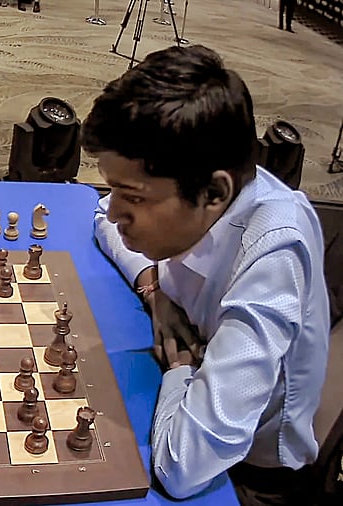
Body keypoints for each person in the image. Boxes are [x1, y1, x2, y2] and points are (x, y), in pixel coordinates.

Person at [82, 45, 329, 505]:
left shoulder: (275, 252)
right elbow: (100, 216)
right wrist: (154, 290)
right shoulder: (195, 188)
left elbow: (183, 466)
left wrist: (181, 368)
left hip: (251, 478)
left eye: (132, 197)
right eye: (113, 188)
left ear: (215, 192)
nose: (115, 211)